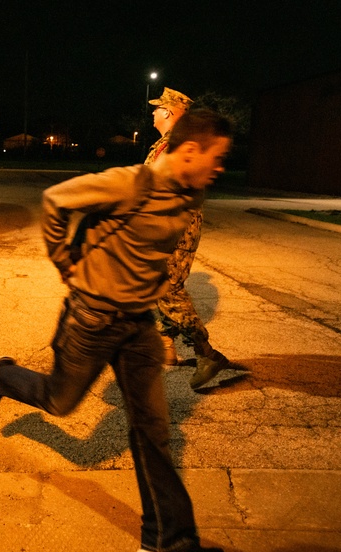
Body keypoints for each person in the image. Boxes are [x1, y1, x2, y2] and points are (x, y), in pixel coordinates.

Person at [0, 109, 233, 552]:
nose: (221, 168)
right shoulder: (132, 183)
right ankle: (3, 377)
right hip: (91, 319)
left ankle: (168, 540)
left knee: (153, 430)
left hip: (137, 327)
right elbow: (57, 199)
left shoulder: (189, 196)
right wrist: (66, 264)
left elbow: (154, 252)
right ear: (191, 150)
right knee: (61, 402)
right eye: (217, 157)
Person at [146, 91, 228, 387]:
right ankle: (166, 346)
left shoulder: (175, 147)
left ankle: (207, 354)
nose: (153, 114)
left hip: (173, 229)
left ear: (168, 112)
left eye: (157, 110)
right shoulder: (167, 144)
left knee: (168, 290)